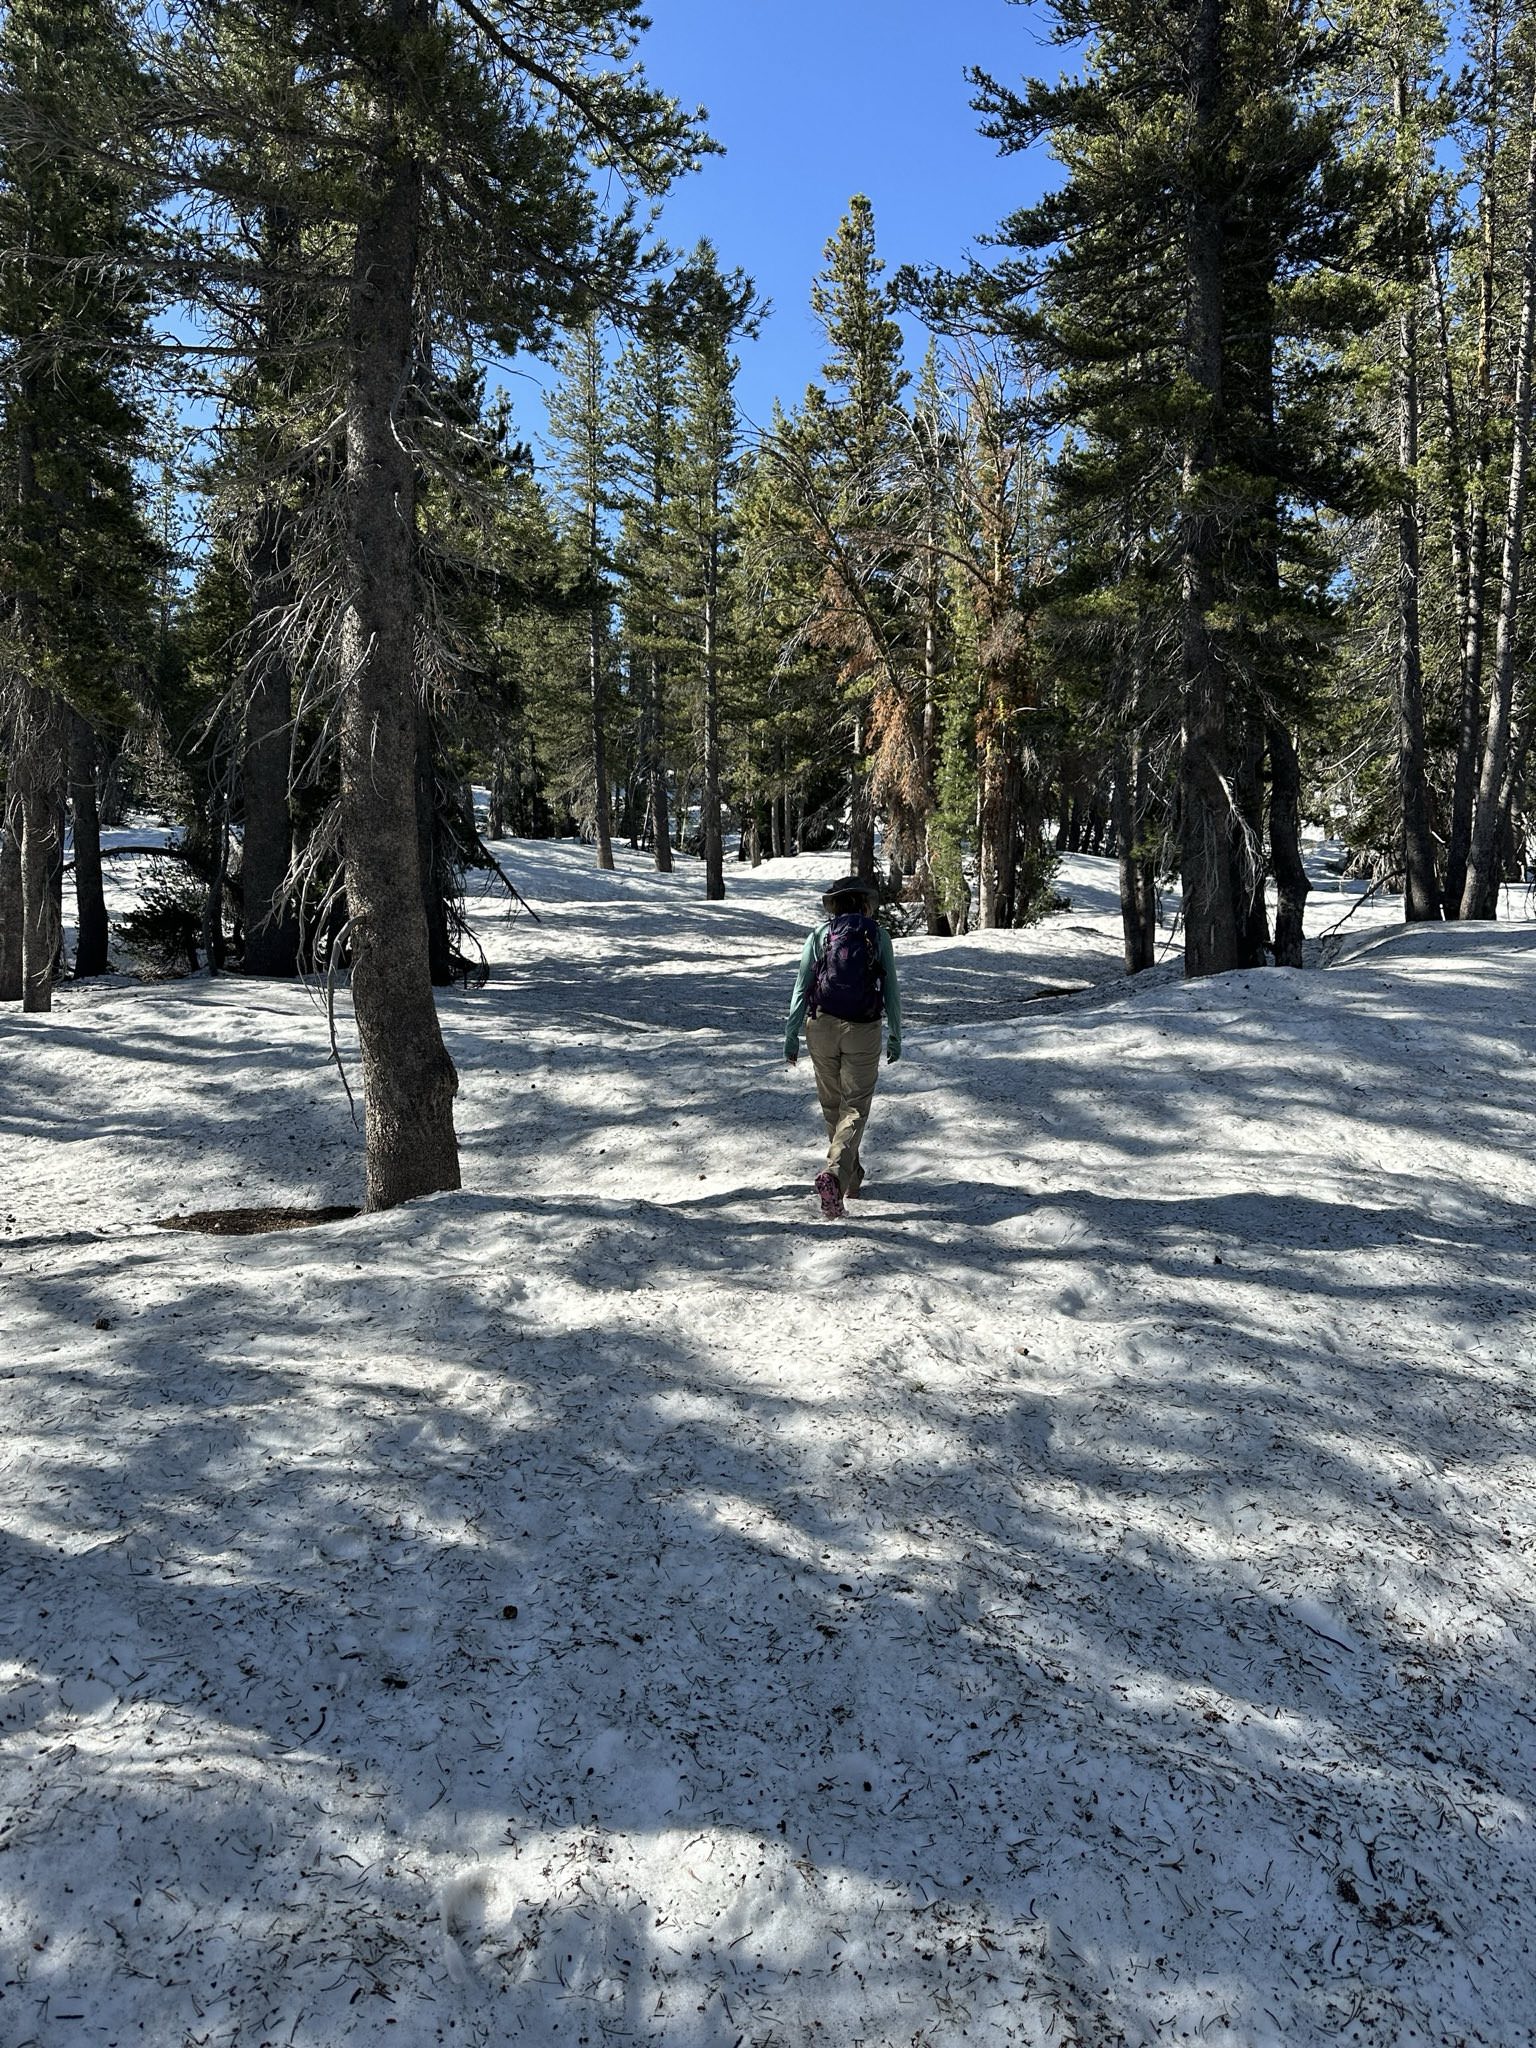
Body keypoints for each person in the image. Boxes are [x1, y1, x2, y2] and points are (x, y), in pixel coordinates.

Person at [784, 876, 902, 1219]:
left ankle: (851, 1176)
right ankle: (836, 1176)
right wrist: (895, 1033)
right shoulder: (878, 936)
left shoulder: (819, 936)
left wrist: (791, 1035)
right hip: (863, 1029)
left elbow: (801, 987)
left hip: (820, 1025)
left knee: (833, 1104)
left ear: (833, 904)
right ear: (866, 903)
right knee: (855, 1107)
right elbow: (891, 989)